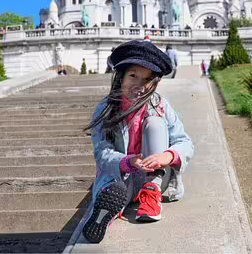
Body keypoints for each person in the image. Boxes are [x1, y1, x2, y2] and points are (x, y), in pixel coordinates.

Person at [82, 40, 194, 244]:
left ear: (155, 83)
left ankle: (151, 193)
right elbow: (101, 152)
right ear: (121, 76)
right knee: (117, 193)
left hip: (157, 174)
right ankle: (106, 214)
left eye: (147, 79)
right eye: (133, 75)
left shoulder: (160, 104)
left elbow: (184, 142)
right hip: (123, 173)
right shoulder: (106, 109)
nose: (139, 84)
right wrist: (127, 161)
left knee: (155, 124)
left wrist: (166, 156)